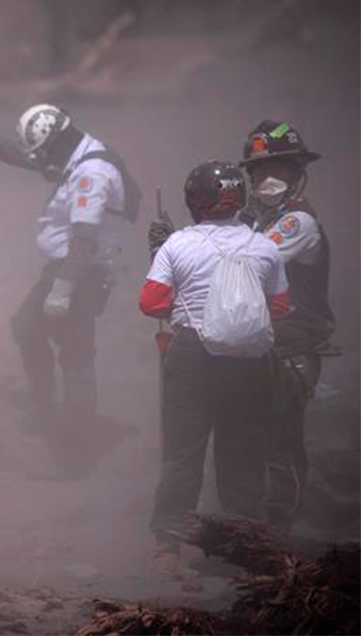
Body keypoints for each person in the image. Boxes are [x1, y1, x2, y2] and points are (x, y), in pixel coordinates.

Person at [0, 102, 132, 475]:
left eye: (43, 153)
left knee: (75, 356)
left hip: (80, 272)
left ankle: (76, 453)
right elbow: (21, 156)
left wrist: (63, 288)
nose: (39, 161)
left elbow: (83, 238)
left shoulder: (91, 174)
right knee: (26, 328)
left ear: (57, 139)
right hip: (66, 269)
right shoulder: (70, 151)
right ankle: (45, 411)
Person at [139, 161, 290, 576]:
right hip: (251, 364)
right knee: (243, 456)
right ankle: (248, 554)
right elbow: (279, 307)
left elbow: (151, 304)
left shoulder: (178, 245)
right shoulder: (265, 246)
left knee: (182, 454)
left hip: (192, 359)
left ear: (194, 200)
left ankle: (167, 550)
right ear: (239, 199)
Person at [240, 121, 334, 530]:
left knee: (279, 442)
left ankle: (282, 533)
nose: (269, 179)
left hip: (292, 348)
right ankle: (250, 521)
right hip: (260, 345)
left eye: (280, 169)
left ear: (299, 173)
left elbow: (249, 263)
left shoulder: (298, 223)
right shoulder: (254, 220)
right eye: (261, 171)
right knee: (249, 438)